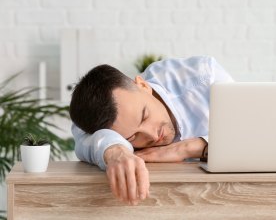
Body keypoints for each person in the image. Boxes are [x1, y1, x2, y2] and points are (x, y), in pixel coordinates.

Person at [69, 56, 233, 205]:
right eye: (133, 136)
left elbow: (251, 135)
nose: (153, 135)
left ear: (143, 85)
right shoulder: (102, 124)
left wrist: (190, 148)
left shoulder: (203, 76)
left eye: (145, 116)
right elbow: (80, 133)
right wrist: (115, 151)